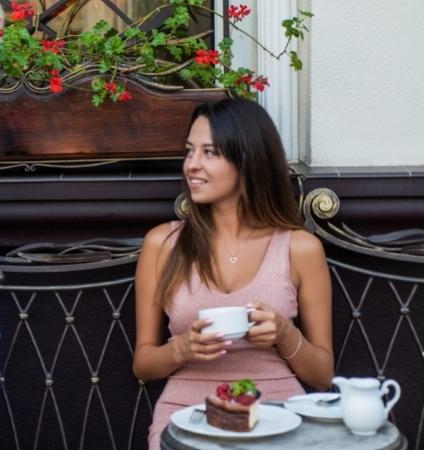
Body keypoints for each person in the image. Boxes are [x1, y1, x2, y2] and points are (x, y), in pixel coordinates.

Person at [132, 98, 333, 447]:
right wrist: (181, 349)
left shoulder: (300, 249)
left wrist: (285, 335)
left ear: (249, 160)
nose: (191, 165)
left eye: (210, 152)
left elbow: (323, 376)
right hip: (187, 414)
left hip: (278, 412)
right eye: (189, 151)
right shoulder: (162, 244)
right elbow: (143, 365)